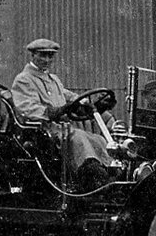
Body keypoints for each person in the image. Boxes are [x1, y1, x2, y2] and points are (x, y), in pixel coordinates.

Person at [9, 38, 114, 191]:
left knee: (97, 139)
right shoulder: (24, 80)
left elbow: (72, 98)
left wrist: (93, 104)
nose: (47, 60)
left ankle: (109, 174)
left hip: (63, 130)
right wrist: (56, 111)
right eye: (42, 55)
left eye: (50, 56)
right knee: (78, 138)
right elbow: (28, 109)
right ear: (32, 55)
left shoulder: (53, 80)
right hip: (44, 131)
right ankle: (93, 179)